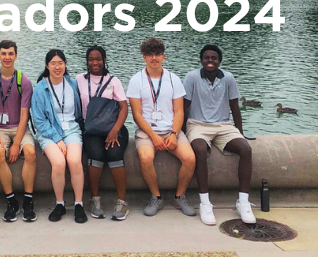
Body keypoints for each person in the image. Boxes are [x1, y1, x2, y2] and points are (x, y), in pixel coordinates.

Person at [183, 44, 255, 225]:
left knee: (245, 149)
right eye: (206, 58)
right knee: (199, 150)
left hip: (223, 125)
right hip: (197, 124)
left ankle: (243, 202)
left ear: (219, 61)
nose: (210, 61)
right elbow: (184, 106)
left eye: (213, 58)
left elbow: (234, 106)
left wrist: (240, 132)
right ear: (201, 60)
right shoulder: (192, 77)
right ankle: (205, 203)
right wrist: (181, 133)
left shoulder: (228, 78)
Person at [126, 38, 196, 218]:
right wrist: (153, 137)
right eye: (150, 54)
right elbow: (137, 114)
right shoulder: (136, 80)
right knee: (146, 157)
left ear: (163, 56)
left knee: (189, 158)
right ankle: (156, 196)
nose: (154, 58)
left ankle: (180, 195)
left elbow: (179, 111)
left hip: (170, 129)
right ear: (144, 57)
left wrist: (174, 133)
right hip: (147, 131)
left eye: (157, 54)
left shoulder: (173, 79)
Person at [0, 40, 37, 222]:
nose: (7, 57)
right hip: (0, 128)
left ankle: (28, 200)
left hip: (19, 127)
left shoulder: (24, 81)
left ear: (16, 56)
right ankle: (11, 200)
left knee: (29, 152)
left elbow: (24, 116)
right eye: (4, 54)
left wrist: (16, 144)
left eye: (11, 54)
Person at [31, 49, 88, 224]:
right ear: (47, 66)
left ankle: (78, 204)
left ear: (65, 65)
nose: (57, 67)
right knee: (58, 162)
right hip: (48, 132)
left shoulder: (72, 84)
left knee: (74, 161)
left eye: (60, 63)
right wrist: (57, 139)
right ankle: (60, 203)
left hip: (71, 128)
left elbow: (78, 112)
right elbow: (39, 121)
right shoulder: (40, 89)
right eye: (53, 63)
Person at [75, 46, 130, 221]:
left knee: (114, 154)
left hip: (113, 127)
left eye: (98, 59)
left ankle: (122, 201)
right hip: (91, 129)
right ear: (87, 61)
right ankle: (95, 199)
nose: (95, 62)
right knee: (96, 155)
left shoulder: (113, 81)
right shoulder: (79, 79)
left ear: (104, 60)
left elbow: (123, 108)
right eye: (91, 59)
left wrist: (115, 131)